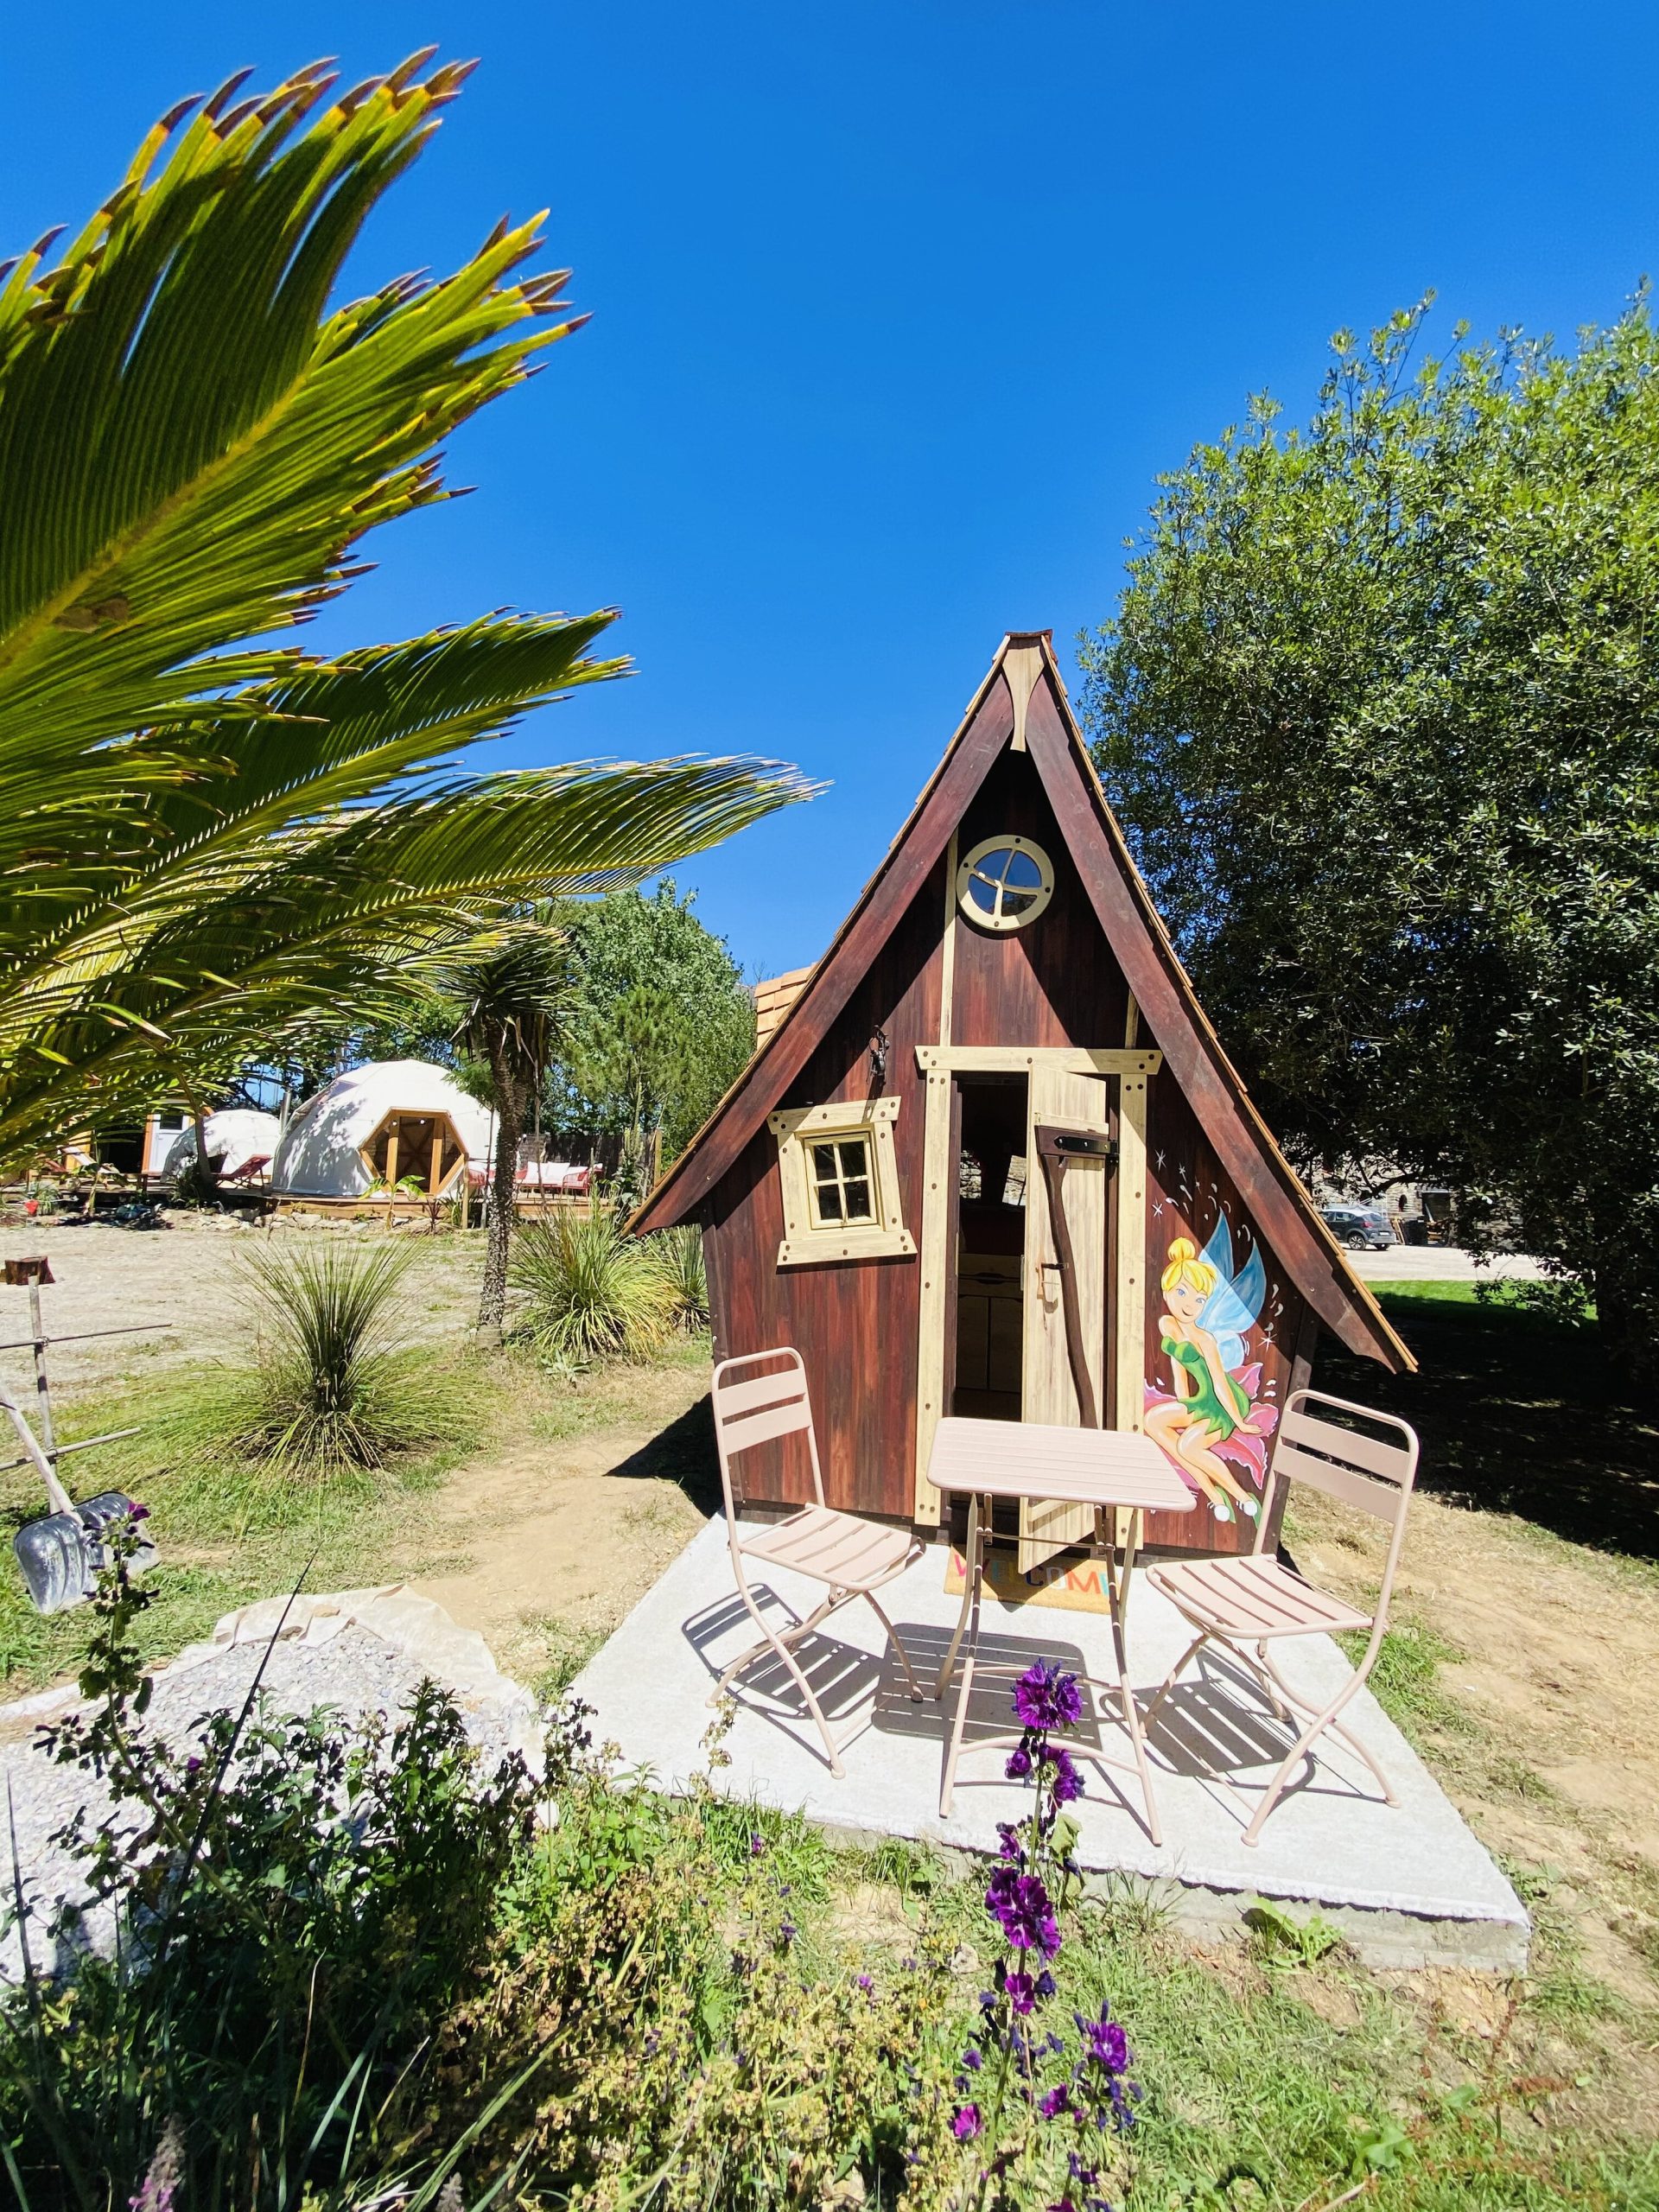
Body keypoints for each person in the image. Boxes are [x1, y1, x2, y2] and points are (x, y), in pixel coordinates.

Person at [1144, 1236, 1263, 1522]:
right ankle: (1212, 1493)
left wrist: (1239, 1421)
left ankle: (1241, 1496)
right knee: (1153, 1421)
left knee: (1188, 1446)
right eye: (1182, 1293)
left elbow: (1220, 1383)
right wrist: (1183, 1402)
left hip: (1224, 1402)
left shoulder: (1205, 1339)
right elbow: (1177, 1365)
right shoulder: (1168, 1324)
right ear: (1167, 1291)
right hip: (1200, 1400)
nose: (1190, 1304)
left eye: (1199, 1299)